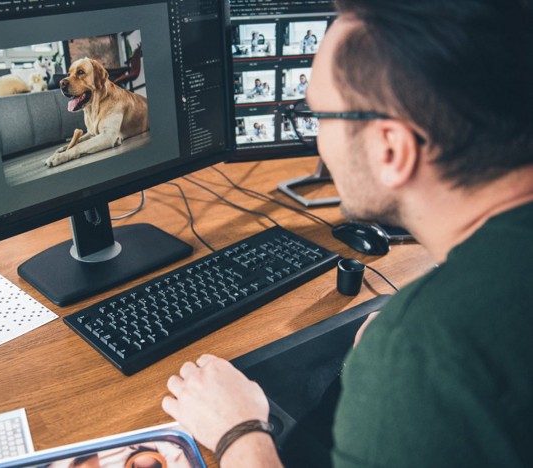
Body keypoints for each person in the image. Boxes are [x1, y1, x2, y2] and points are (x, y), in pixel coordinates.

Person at [162, 1, 533, 466]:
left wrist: (240, 432)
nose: (317, 139)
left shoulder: (425, 350)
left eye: (319, 117)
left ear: (391, 148)